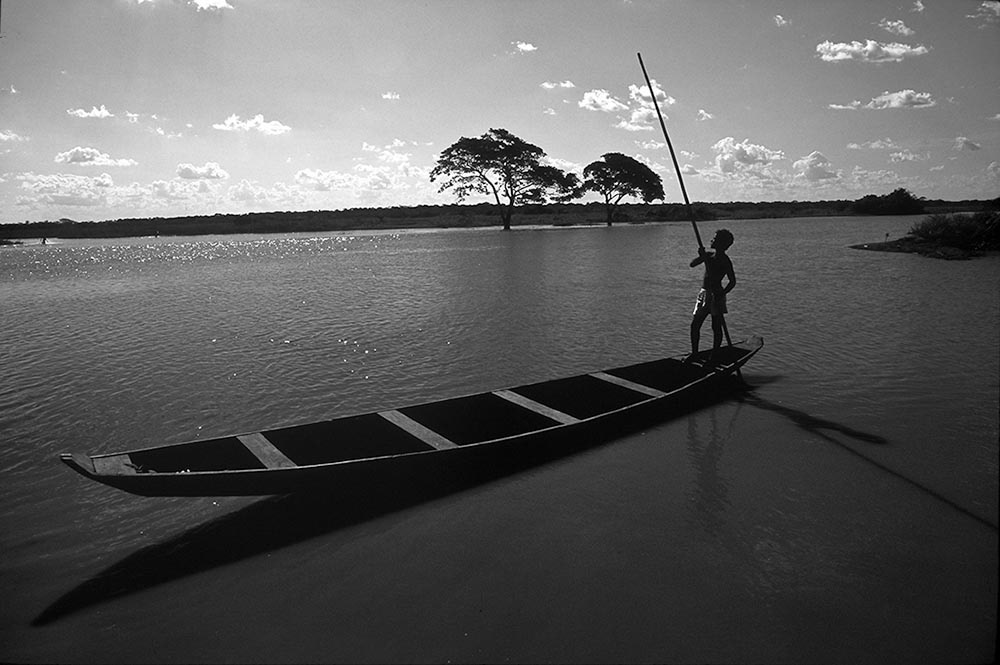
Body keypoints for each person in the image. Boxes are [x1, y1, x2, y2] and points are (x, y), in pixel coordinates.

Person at [689, 229, 736, 358]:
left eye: (715, 239)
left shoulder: (725, 260)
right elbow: (692, 264)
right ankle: (695, 354)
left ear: (722, 243)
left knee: (716, 326)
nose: (712, 240)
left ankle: (714, 355)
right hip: (704, 294)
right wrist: (701, 256)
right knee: (695, 325)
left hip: (717, 295)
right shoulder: (709, 256)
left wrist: (722, 293)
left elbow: (732, 281)